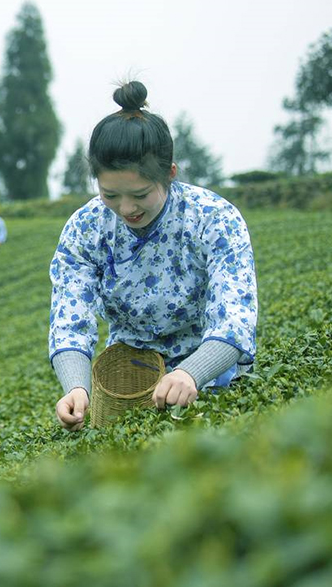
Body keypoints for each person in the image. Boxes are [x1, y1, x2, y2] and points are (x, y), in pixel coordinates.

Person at [49, 81, 258, 431]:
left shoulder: (213, 217)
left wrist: (192, 371)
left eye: (141, 194)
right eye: (110, 194)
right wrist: (76, 386)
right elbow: (70, 315)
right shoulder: (86, 228)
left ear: (170, 174)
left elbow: (234, 314)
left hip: (207, 368)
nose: (126, 208)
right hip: (129, 376)